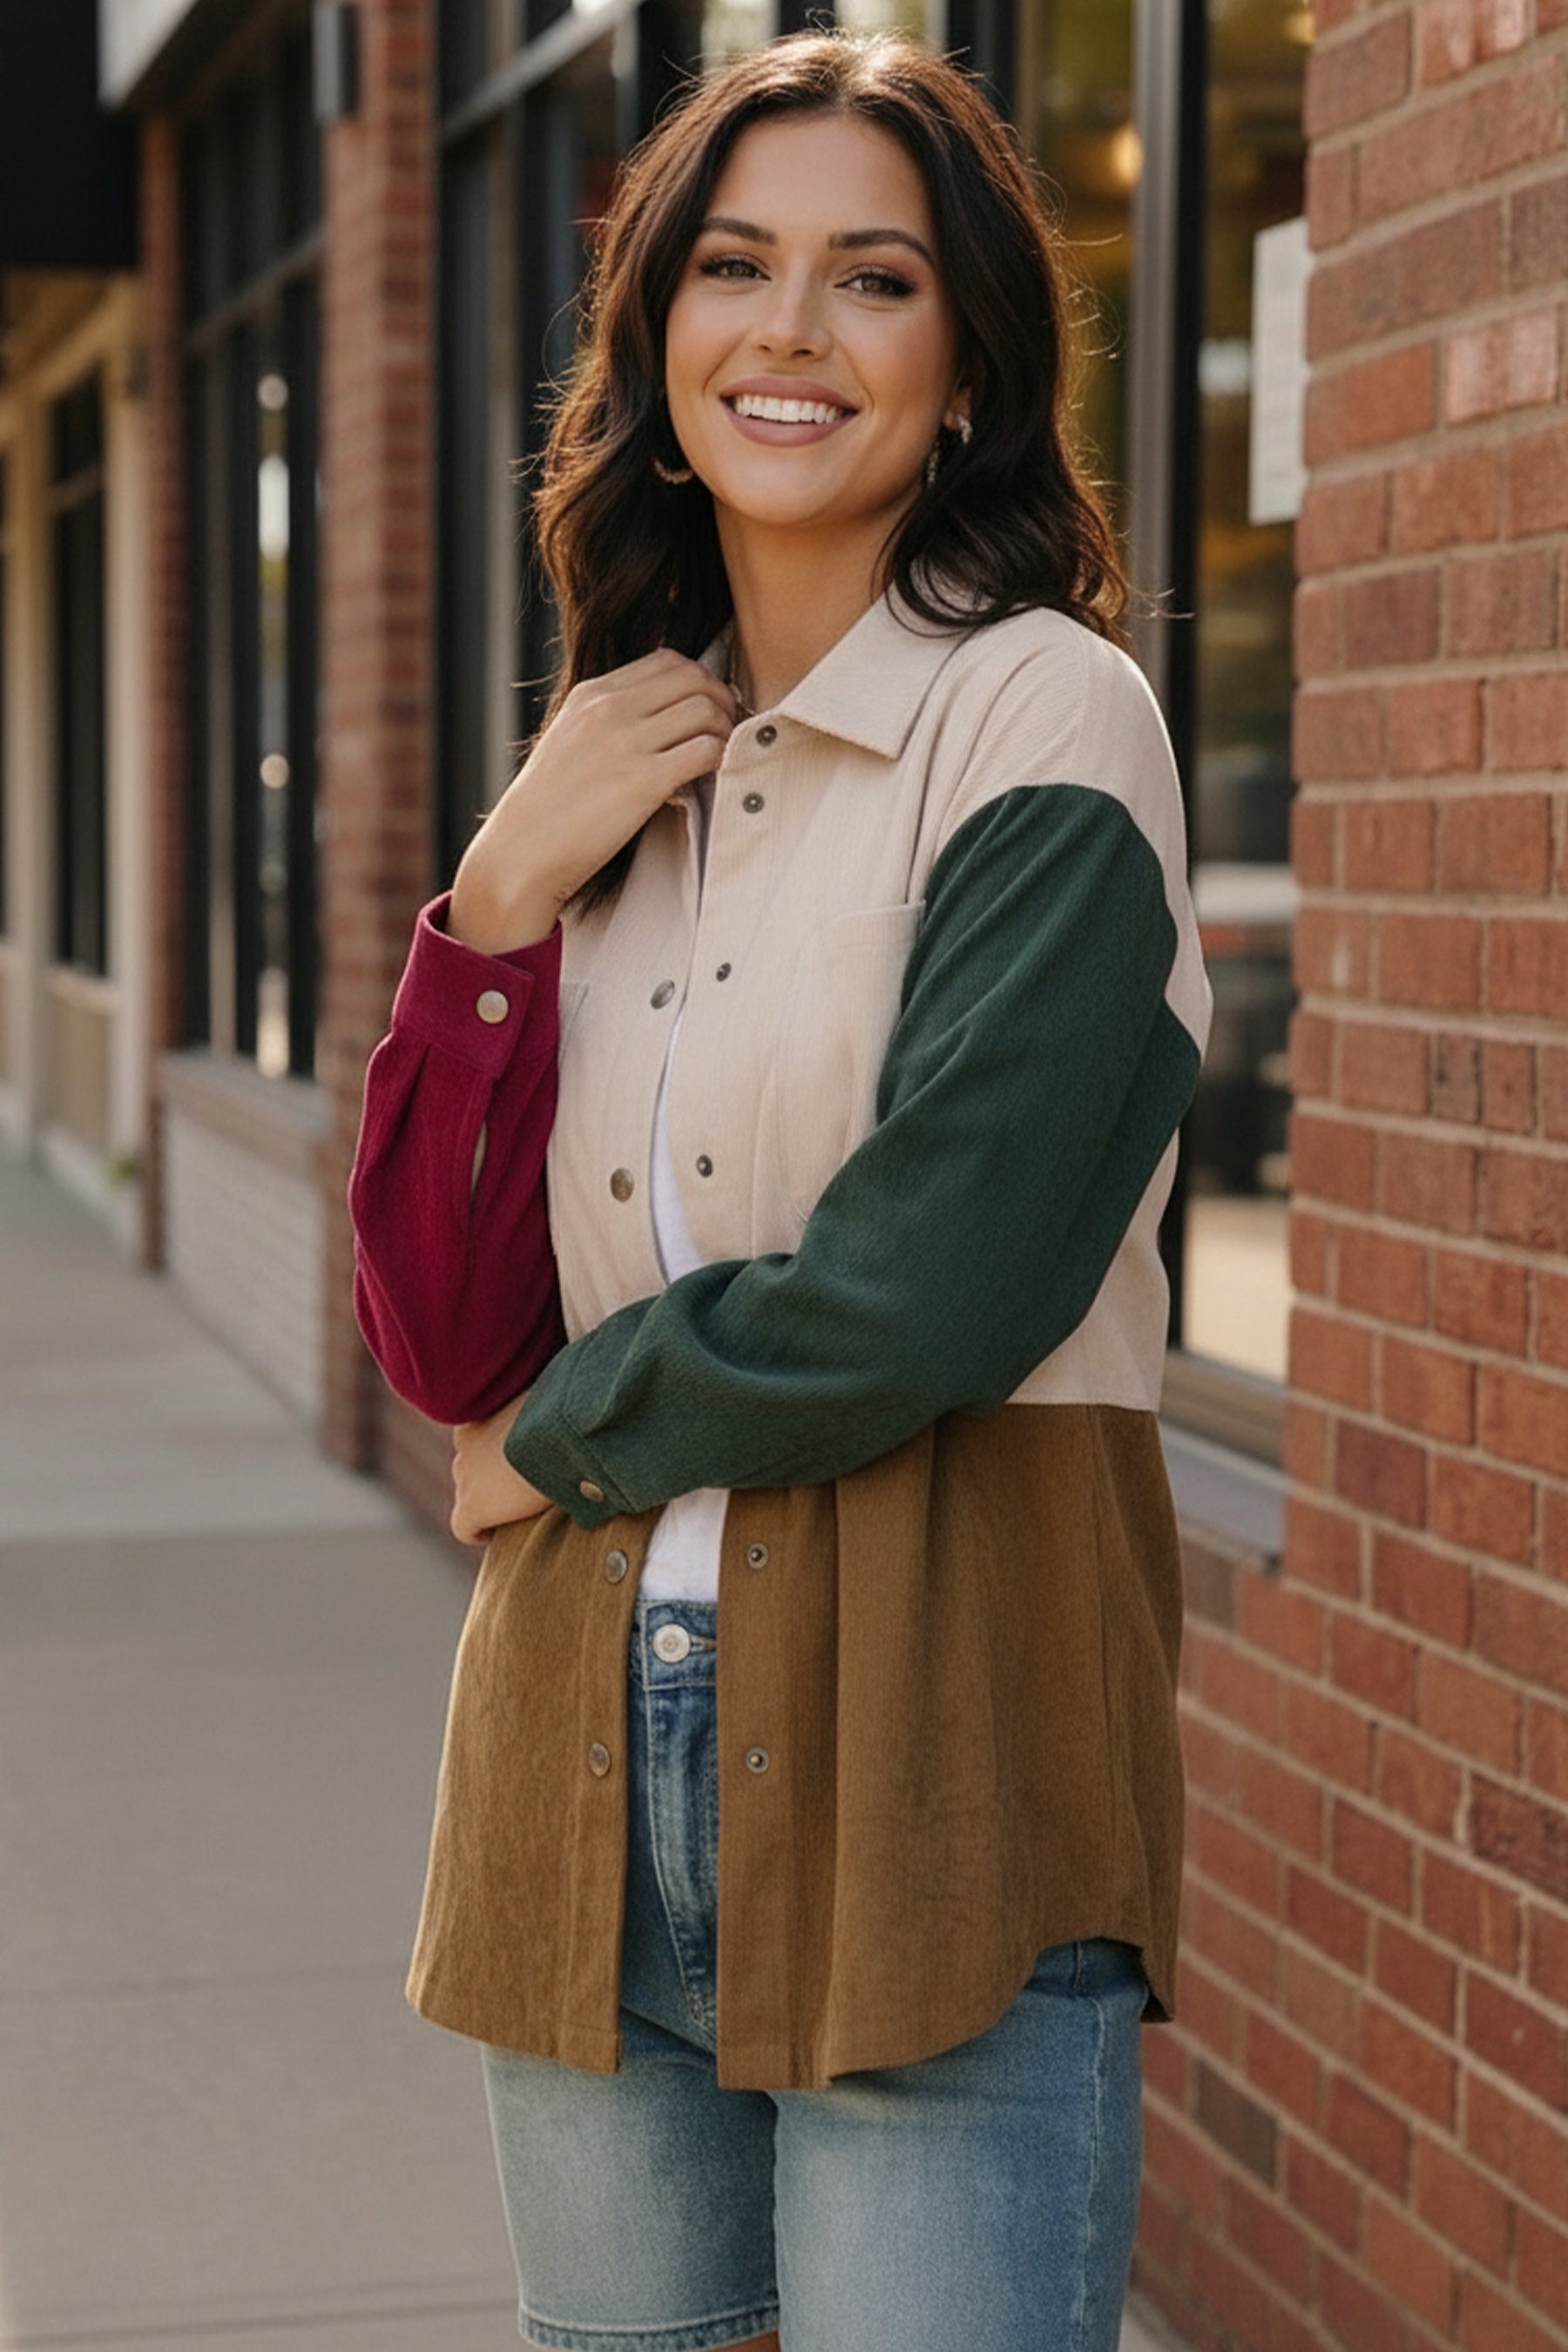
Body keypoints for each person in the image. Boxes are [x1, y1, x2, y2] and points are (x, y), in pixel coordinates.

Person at [348, 30, 1210, 2352]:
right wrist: (497, 905)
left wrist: (558, 1441)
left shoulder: (1041, 719)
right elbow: (439, 1337)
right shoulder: (613, 756)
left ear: (969, 368)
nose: (792, 329)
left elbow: (924, 1287)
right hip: (572, 1756)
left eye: (874, 277)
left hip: (945, 1727)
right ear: (653, 346)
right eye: (732, 268)